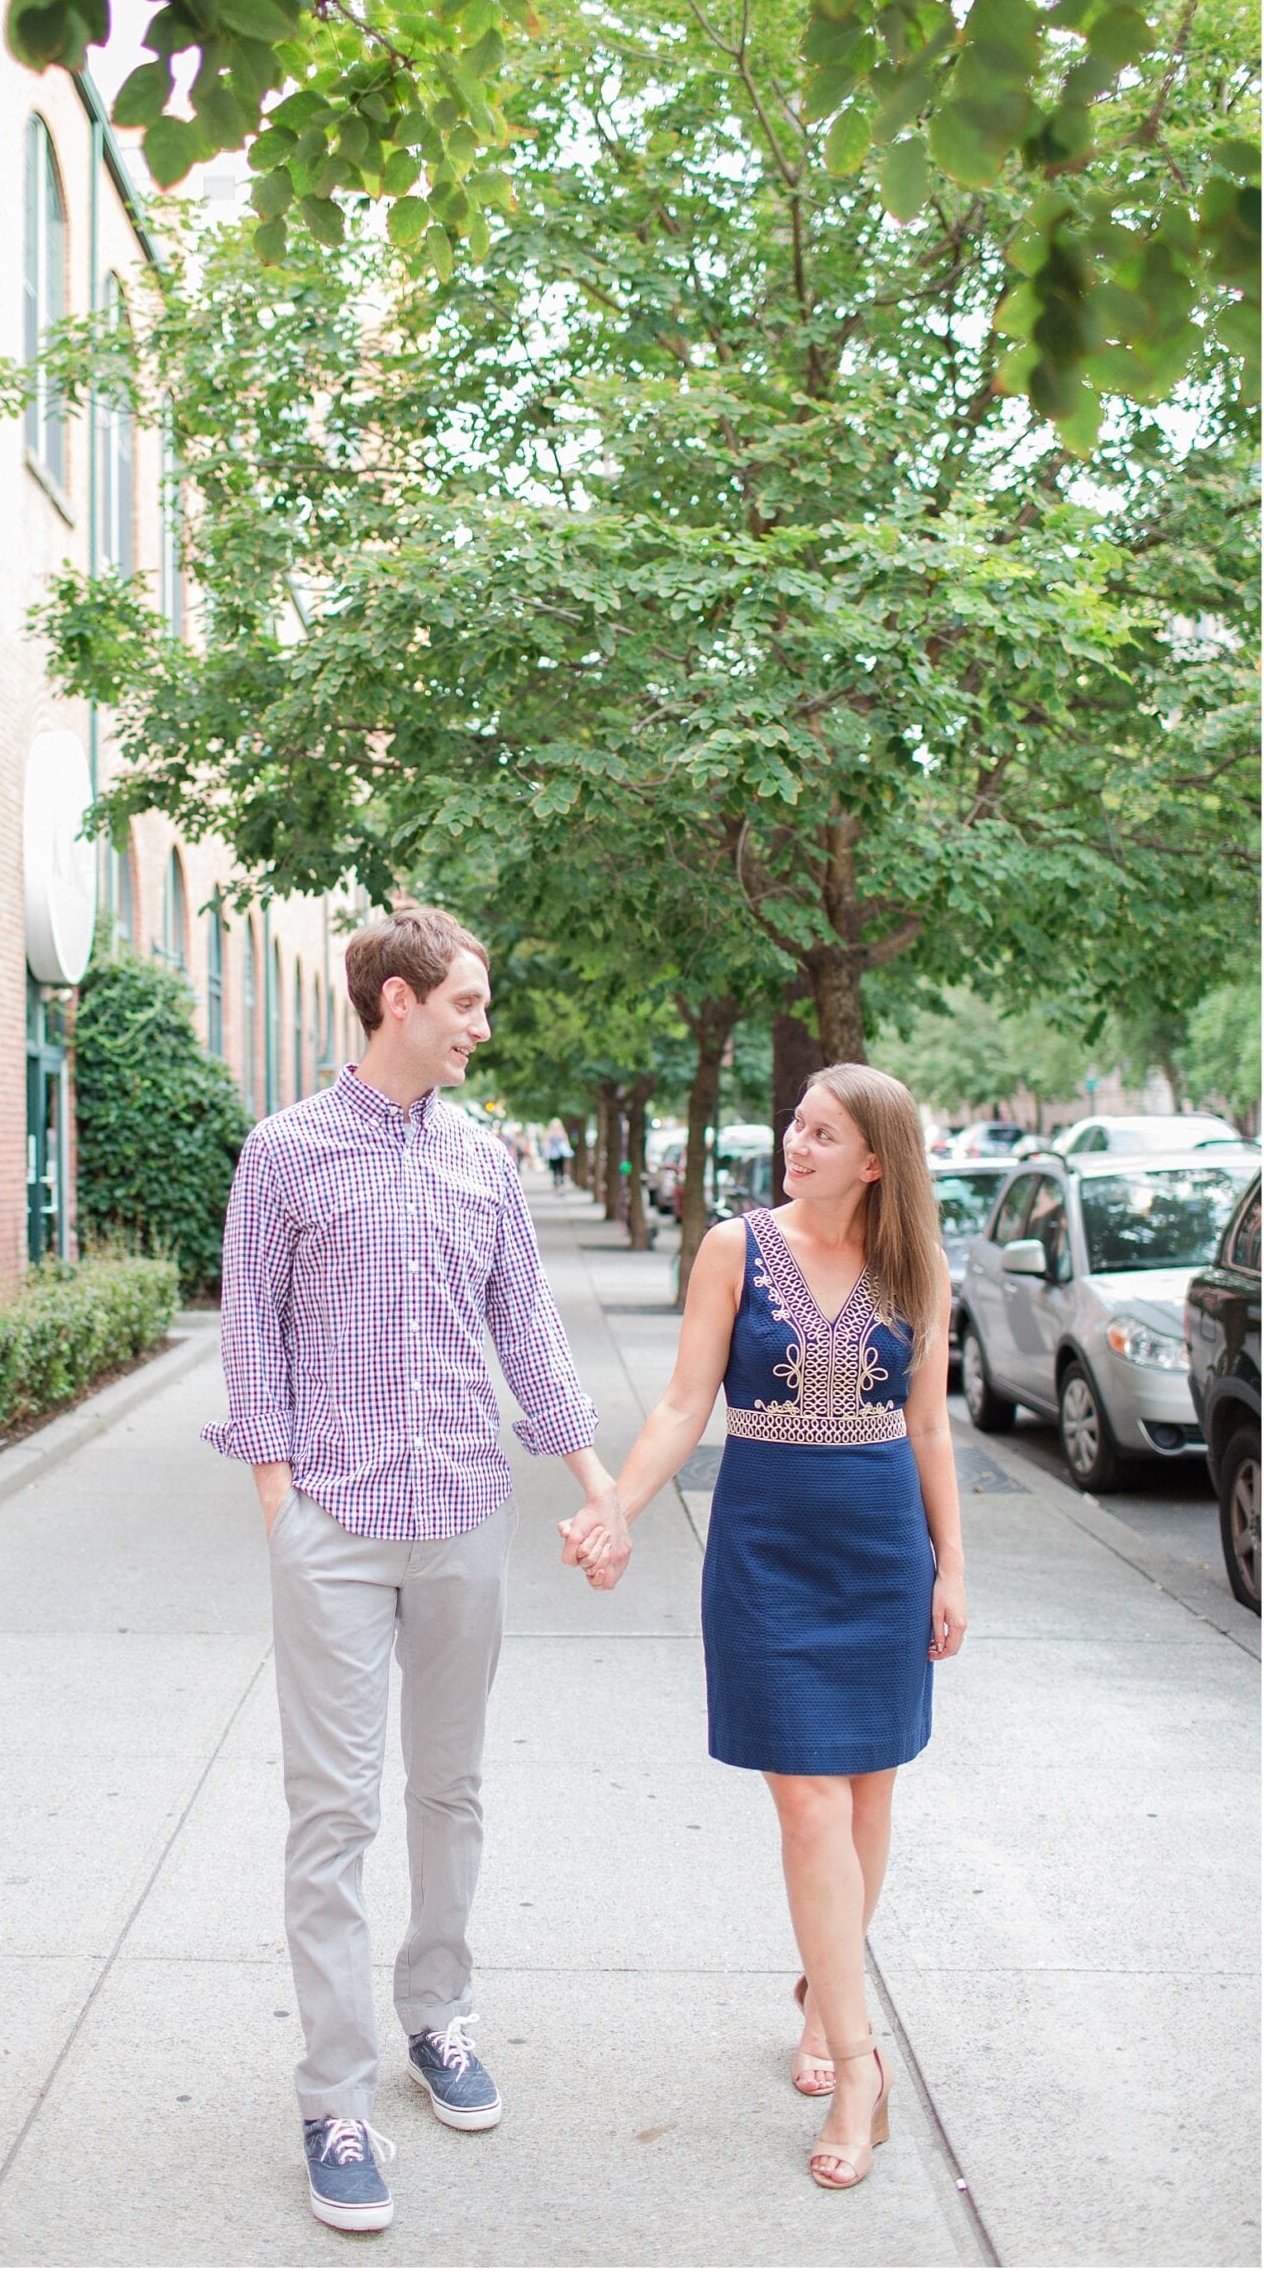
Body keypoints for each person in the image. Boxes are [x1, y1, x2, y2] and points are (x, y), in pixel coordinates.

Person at [210, 904, 626, 2235]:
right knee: (331, 1817)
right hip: (329, 1523)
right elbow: (249, 1331)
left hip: (459, 1514)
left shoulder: (484, 1162)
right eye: (465, 1004)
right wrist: (278, 1495)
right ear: (396, 1000)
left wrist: (597, 1484)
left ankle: (437, 2017)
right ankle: (332, 2095)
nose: (480, 1027)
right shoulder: (282, 1154)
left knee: (450, 1790)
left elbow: (528, 1330)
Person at [561, 1064, 966, 2193]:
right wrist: (614, 1509)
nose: (797, 1144)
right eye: (795, 1125)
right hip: (766, 1554)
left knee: (868, 1794)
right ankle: (855, 2062)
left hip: (882, 1551)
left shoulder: (914, 1265)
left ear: (874, 1158)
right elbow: (685, 1401)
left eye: (823, 1133)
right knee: (805, 1802)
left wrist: (951, 1570)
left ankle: (817, 1990)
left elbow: (928, 1428)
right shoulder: (733, 1248)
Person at [544, 1118, 573, 1192]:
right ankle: (559, 1186)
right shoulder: (556, 1133)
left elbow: (566, 1142)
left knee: (558, 1170)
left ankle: (559, 1186)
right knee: (557, 1170)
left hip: (559, 1154)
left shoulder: (559, 1133)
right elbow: (546, 1143)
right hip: (555, 1155)